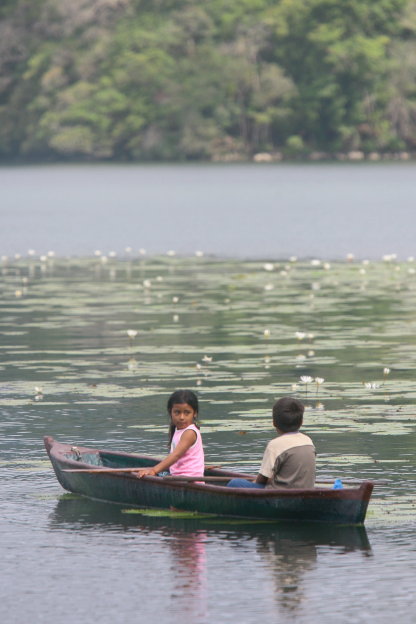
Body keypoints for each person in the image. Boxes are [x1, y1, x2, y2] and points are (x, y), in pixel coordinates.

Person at [227, 397, 315, 489]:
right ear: (301, 422)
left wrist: (254, 482)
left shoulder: (275, 445)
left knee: (235, 483)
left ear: (274, 423)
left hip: (279, 496)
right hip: (304, 493)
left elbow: (262, 479)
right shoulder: (308, 441)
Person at [135, 389, 204, 478]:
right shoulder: (178, 429)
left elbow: (176, 455)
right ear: (170, 412)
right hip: (178, 477)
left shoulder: (190, 432)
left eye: (187, 413)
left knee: (159, 473)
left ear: (195, 413)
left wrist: (154, 470)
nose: (182, 417)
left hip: (188, 479)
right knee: (161, 473)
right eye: (177, 412)